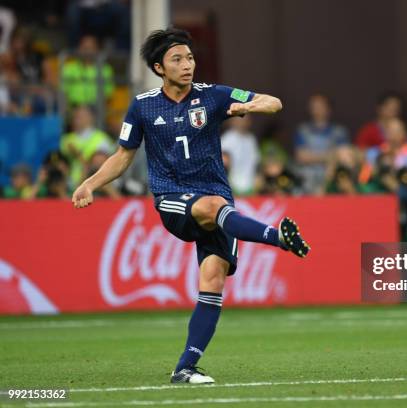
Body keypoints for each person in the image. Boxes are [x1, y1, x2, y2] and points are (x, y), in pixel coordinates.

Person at [71, 28, 310, 385]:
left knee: (212, 281)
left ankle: (185, 368)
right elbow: (122, 157)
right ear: (159, 68)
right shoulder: (143, 105)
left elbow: (274, 102)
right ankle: (278, 239)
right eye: (177, 60)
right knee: (214, 205)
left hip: (217, 200)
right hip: (172, 198)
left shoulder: (212, 96)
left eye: (190, 58)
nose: (187, 65)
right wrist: (90, 183)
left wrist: (247, 105)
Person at [294, 93, 349, 194]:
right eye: (314, 106)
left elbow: (344, 157)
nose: (317, 109)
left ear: (329, 109)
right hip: (307, 178)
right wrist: (329, 157)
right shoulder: (303, 130)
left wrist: (315, 157)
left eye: (320, 106)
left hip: (332, 177)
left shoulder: (339, 131)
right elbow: (301, 156)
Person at [60, 104, 114, 187]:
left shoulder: (102, 139)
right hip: (71, 183)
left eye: (81, 116)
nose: (77, 119)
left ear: (91, 117)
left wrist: (78, 155)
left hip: (97, 183)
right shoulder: (67, 139)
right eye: (75, 116)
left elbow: (107, 163)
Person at [61, 35, 114, 107]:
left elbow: (107, 96)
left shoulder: (105, 69)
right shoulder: (69, 68)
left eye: (90, 48)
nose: (87, 51)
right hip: (73, 108)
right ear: (79, 49)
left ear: (97, 50)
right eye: (84, 48)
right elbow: (63, 94)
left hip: (96, 109)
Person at [220, 115, 259, 196]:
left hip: (251, 189)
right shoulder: (226, 139)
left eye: (246, 118)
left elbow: (256, 163)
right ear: (232, 121)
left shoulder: (251, 139)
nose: (243, 120)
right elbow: (223, 167)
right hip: (232, 189)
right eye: (240, 117)